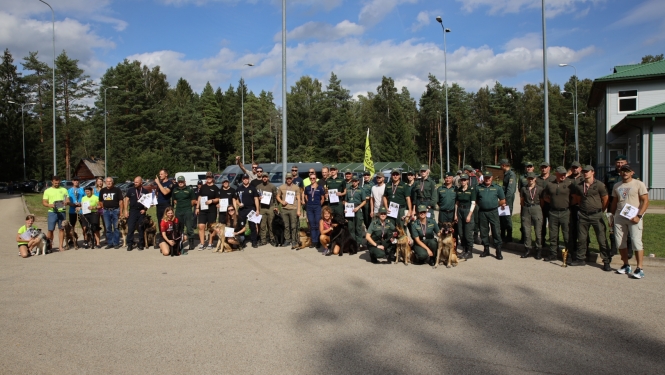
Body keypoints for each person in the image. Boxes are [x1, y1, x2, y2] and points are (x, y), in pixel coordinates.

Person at [610, 164, 649, 278]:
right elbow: (615, 202)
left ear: (632, 172)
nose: (625, 173)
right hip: (619, 217)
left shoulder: (638, 184)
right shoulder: (617, 185)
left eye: (627, 171)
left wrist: (639, 216)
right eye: (623, 171)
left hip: (634, 217)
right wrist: (611, 216)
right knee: (620, 242)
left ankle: (639, 268)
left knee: (636, 242)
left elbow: (645, 201)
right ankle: (626, 265)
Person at [571, 165, 611, 269]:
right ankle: (581, 258)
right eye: (584, 171)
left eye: (587, 171)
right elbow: (578, 199)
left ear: (593, 172)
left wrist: (601, 210)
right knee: (582, 238)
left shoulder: (600, 185)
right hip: (583, 214)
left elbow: (605, 199)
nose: (585, 173)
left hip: (596, 215)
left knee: (601, 238)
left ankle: (606, 260)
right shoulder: (579, 185)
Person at [605, 155, 635, 260]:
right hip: (612, 205)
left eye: (622, 162)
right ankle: (613, 248)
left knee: (628, 229)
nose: (620, 164)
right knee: (612, 228)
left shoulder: (631, 175)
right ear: (615, 164)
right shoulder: (609, 175)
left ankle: (629, 249)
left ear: (626, 163)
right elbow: (605, 192)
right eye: (618, 162)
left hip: (627, 206)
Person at [542, 166, 574, 262]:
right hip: (553, 212)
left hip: (565, 212)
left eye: (564, 174)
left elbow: (575, 197)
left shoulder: (569, 184)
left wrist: (566, 205)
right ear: (556, 174)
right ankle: (553, 254)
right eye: (561, 174)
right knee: (553, 235)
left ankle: (569, 255)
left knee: (567, 235)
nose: (563, 176)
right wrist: (553, 203)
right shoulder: (550, 184)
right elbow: (545, 197)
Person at [476, 171, 506, 260]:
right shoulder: (478, 188)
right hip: (482, 212)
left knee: (496, 231)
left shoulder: (497, 188)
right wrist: (483, 204)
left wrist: (494, 204)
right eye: (486, 177)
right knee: (483, 231)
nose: (487, 179)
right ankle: (486, 249)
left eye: (489, 177)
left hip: (493, 212)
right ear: (483, 178)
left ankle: (498, 251)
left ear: (492, 178)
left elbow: (503, 200)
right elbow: (476, 200)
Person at [42, 175, 70, 251]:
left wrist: (66, 202)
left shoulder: (64, 189)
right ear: (52, 182)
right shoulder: (47, 191)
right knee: (50, 230)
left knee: (61, 229)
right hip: (52, 212)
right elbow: (44, 202)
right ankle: (49, 246)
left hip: (62, 212)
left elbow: (67, 199)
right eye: (55, 183)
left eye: (58, 183)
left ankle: (60, 246)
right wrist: (49, 205)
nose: (57, 184)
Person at [520, 172, 544, 259]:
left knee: (538, 231)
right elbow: (522, 200)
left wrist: (537, 208)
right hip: (526, 209)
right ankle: (527, 249)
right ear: (527, 179)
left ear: (535, 179)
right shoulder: (524, 189)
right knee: (527, 231)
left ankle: (538, 249)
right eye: (529, 178)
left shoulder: (540, 189)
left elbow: (542, 201)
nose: (530, 180)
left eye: (532, 178)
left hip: (536, 208)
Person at [124, 176, 149, 251]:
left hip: (141, 211)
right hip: (132, 211)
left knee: (141, 227)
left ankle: (141, 243)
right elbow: (126, 200)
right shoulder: (130, 190)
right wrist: (125, 210)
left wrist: (145, 209)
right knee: (131, 228)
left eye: (137, 182)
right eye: (134, 182)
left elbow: (148, 202)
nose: (135, 183)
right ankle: (130, 244)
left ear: (141, 182)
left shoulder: (145, 191)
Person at [195, 172, 220, 250]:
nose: (208, 178)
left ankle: (210, 243)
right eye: (207, 177)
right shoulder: (203, 187)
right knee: (201, 226)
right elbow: (199, 197)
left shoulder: (216, 188)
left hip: (212, 210)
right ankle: (202, 244)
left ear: (212, 178)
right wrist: (197, 207)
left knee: (211, 227)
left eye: (210, 177)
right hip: (203, 210)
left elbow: (218, 198)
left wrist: (212, 201)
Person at [455, 173, 476, 260]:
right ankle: (464, 250)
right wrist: (455, 214)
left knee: (468, 232)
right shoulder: (459, 190)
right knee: (461, 232)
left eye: (464, 180)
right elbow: (457, 203)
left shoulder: (471, 189)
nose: (463, 181)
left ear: (467, 180)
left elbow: (473, 203)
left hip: (468, 210)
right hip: (460, 210)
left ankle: (469, 252)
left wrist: (469, 215)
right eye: (461, 180)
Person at [172, 176, 197, 250]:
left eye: (182, 181)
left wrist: (188, 206)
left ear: (184, 182)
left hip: (187, 210)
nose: (180, 183)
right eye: (179, 182)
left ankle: (191, 242)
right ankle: (180, 242)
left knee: (189, 227)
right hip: (178, 211)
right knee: (179, 227)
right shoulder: (175, 190)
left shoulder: (189, 189)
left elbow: (193, 200)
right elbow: (174, 200)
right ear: (177, 182)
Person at [99, 177, 124, 249]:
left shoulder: (117, 190)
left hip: (115, 210)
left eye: (110, 181)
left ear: (112, 182)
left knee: (116, 227)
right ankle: (110, 243)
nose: (108, 183)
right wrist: (103, 207)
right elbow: (100, 201)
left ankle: (116, 243)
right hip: (106, 211)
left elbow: (121, 201)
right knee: (108, 227)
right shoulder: (102, 190)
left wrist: (121, 211)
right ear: (105, 182)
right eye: (107, 181)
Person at [236, 174, 260, 248]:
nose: (245, 180)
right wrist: (239, 204)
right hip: (242, 210)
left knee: (252, 226)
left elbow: (256, 199)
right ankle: (242, 241)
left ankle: (254, 241)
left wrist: (257, 209)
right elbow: (236, 199)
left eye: (246, 178)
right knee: (242, 226)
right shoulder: (239, 188)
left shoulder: (253, 188)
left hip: (251, 209)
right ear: (242, 180)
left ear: (248, 179)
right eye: (244, 179)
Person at [536, 162, 556, 248]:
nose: (544, 169)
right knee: (541, 224)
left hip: (551, 204)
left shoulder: (554, 178)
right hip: (540, 205)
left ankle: (554, 244)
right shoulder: (537, 179)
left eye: (545, 167)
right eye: (542, 167)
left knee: (553, 226)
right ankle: (541, 243)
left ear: (549, 168)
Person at [277, 175, 301, 249]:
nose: (289, 180)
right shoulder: (281, 187)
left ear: (292, 179)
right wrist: (281, 201)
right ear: (285, 179)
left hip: (293, 209)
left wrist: (298, 210)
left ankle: (294, 240)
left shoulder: (296, 188)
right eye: (287, 178)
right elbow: (277, 196)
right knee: (286, 226)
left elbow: (299, 199)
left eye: (290, 178)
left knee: (294, 226)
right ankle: (287, 240)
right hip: (284, 209)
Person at [257, 173, 278, 247]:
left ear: (268, 178)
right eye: (263, 177)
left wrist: (276, 206)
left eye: (266, 177)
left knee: (271, 224)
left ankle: (272, 238)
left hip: (270, 207)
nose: (264, 178)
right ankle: (263, 240)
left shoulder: (272, 186)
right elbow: (256, 197)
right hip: (262, 208)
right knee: (262, 225)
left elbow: (276, 197)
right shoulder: (258, 187)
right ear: (262, 178)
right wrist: (258, 199)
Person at [567, 161, 583, 259]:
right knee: (571, 229)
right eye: (573, 168)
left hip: (581, 207)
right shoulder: (567, 179)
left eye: (577, 167)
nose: (575, 169)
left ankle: (583, 250)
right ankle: (572, 249)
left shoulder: (584, 179)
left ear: (580, 168)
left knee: (581, 229)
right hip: (570, 207)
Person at [304, 173, 325, 249]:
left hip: (317, 207)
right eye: (311, 178)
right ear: (309, 179)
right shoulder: (307, 188)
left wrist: (319, 204)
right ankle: (314, 241)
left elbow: (322, 198)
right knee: (312, 224)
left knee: (317, 223)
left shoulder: (320, 188)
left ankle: (318, 241)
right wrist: (309, 202)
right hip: (309, 207)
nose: (312, 179)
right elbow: (306, 196)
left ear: (316, 179)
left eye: (314, 178)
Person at [345, 175, 366, 246]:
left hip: (357, 208)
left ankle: (359, 243)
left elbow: (364, 201)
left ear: (358, 181)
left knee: (358, 227)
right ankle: (352, 242)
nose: (354, 182)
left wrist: (358, 207)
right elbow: (345, 201)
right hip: (349, 210)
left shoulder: (361, 190)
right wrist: (346, 207)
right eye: (353, 181)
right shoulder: (348, 189)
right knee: (350, 227)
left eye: (355, 181)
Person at [500, 159, 517, 243]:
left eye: (501, 165)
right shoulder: (506, 174)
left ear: (503, 165)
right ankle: (502, 235)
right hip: (504, 199)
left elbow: (510, 190)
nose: (500, 167)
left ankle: (509, 236)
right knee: (502, 216)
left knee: (507, 217)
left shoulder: (511, 175)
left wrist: (505, 201)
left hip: (507, 200)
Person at [518, 162, 536, 243]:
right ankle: (524, 238)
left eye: (530, 166)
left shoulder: (537, 177)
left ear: (533, 168)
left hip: (535, 204)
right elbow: (520, 189)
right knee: (524, 221)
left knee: (536, 222)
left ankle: (538, 240)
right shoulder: (522, 177)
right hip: (525, 203)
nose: (529, 168)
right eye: (527, 167)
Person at [154, 169, 173, 244]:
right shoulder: (160, 183)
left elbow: (165, 192)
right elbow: (158, 194)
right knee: (160, 222)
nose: (160, 175)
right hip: (159, 205)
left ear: (166, 174)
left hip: (166, 205)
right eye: (159, 174)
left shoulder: (170, 183)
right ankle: (162, 239)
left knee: (167, 221)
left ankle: (169, 238)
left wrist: (158, 183)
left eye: (161, 174)